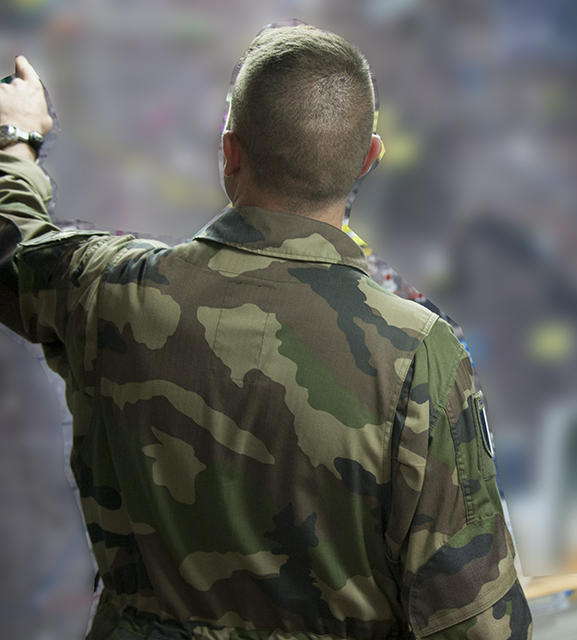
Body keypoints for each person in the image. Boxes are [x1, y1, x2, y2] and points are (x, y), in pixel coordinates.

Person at [0, 24, 532, 639]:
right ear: (368, 160)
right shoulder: (416, 355)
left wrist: (17, 139)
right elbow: (476, 623)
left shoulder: (110, 291)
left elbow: (14, 242)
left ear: (229, 152)